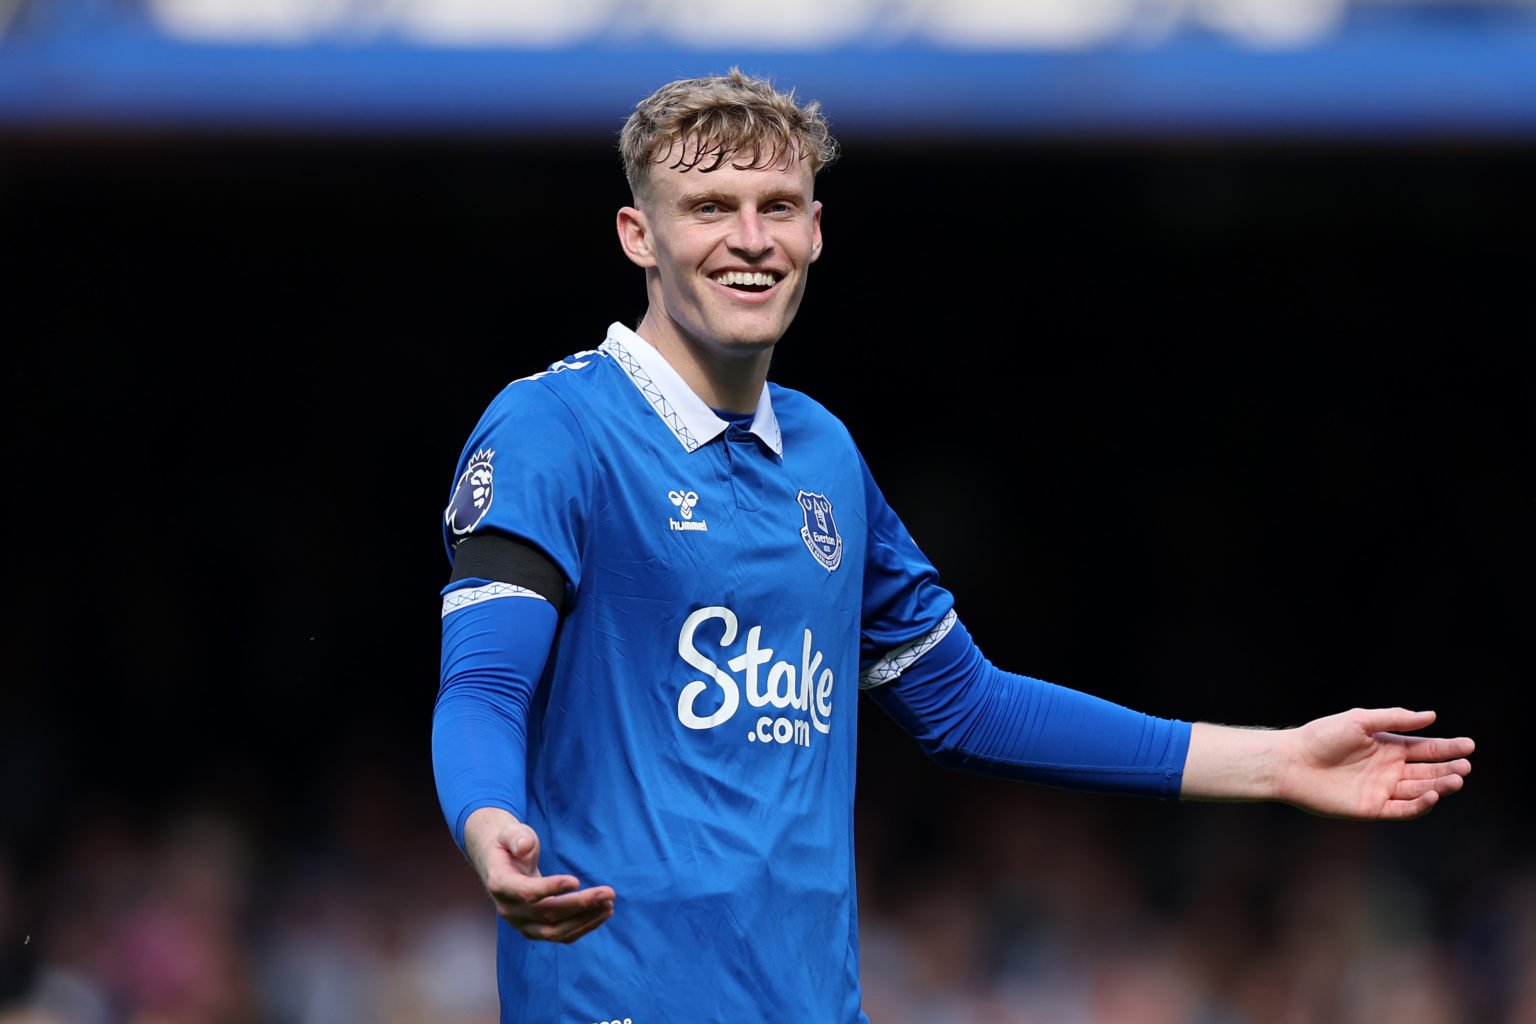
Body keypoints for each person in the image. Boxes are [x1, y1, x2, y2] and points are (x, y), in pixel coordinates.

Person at [431, 67, 1475, 1023]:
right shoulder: (553, 429)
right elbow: (482, 688)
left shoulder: (826, 454)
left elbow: (967, 703)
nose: (749, 239)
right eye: (709, 208)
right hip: (615, 1002)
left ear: (815, 231)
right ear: (638, 235)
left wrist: (1279, 759)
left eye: (776, 209)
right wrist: (490, 828)